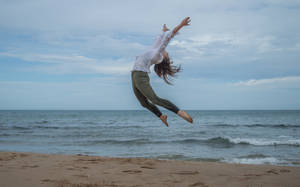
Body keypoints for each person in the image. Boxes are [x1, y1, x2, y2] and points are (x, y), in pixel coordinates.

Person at [131, 17, 193, 127]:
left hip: (140, 75)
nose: (167, 53)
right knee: (143, 103)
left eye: (167, 55)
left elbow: (167, 39)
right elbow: (159, 39)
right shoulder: (154, 50)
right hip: (135, 74)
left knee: (155, 99)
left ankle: (179, 112)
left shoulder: (157, 54)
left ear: (163, 59)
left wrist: (181, 25)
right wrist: (163, 31)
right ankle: (161, 116)